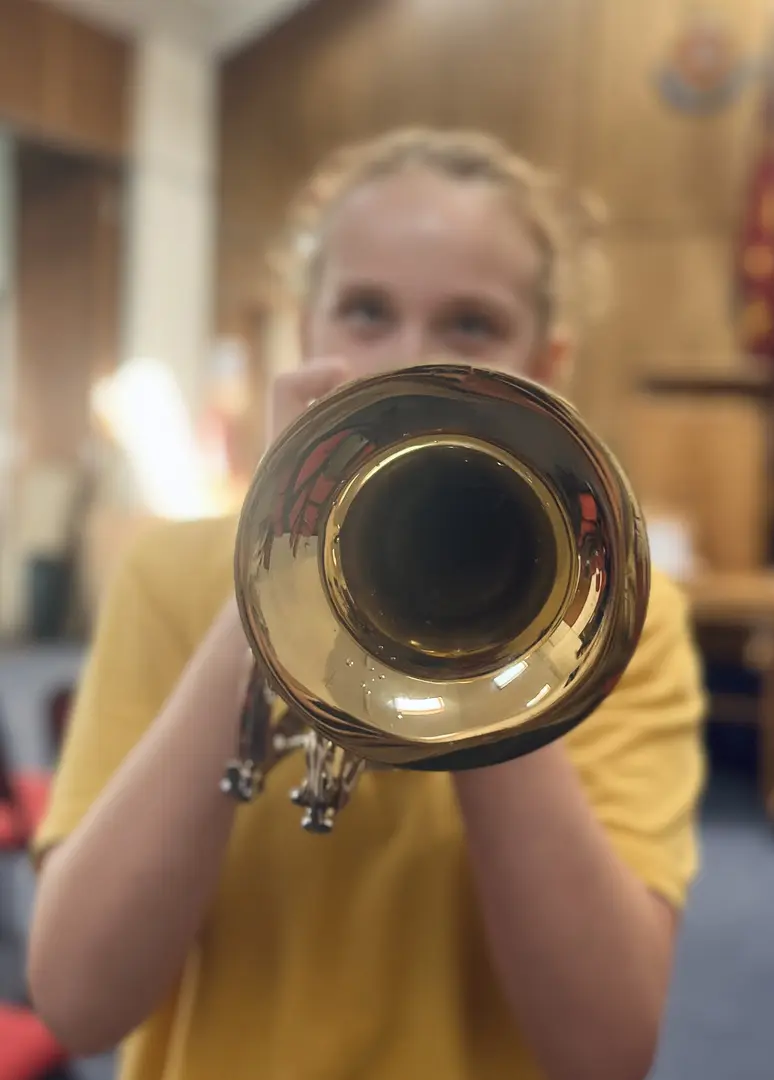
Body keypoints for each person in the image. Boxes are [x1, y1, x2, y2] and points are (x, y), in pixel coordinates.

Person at [27, 128, 706, 1080]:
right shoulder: (170, 576)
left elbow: (604, 1049)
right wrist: (269, 592)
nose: (409, 358)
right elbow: (79, 998)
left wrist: (502, 645)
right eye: (366, 311)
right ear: (305, 332)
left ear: (546, 365)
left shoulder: (624, 619)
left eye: (471, 324)